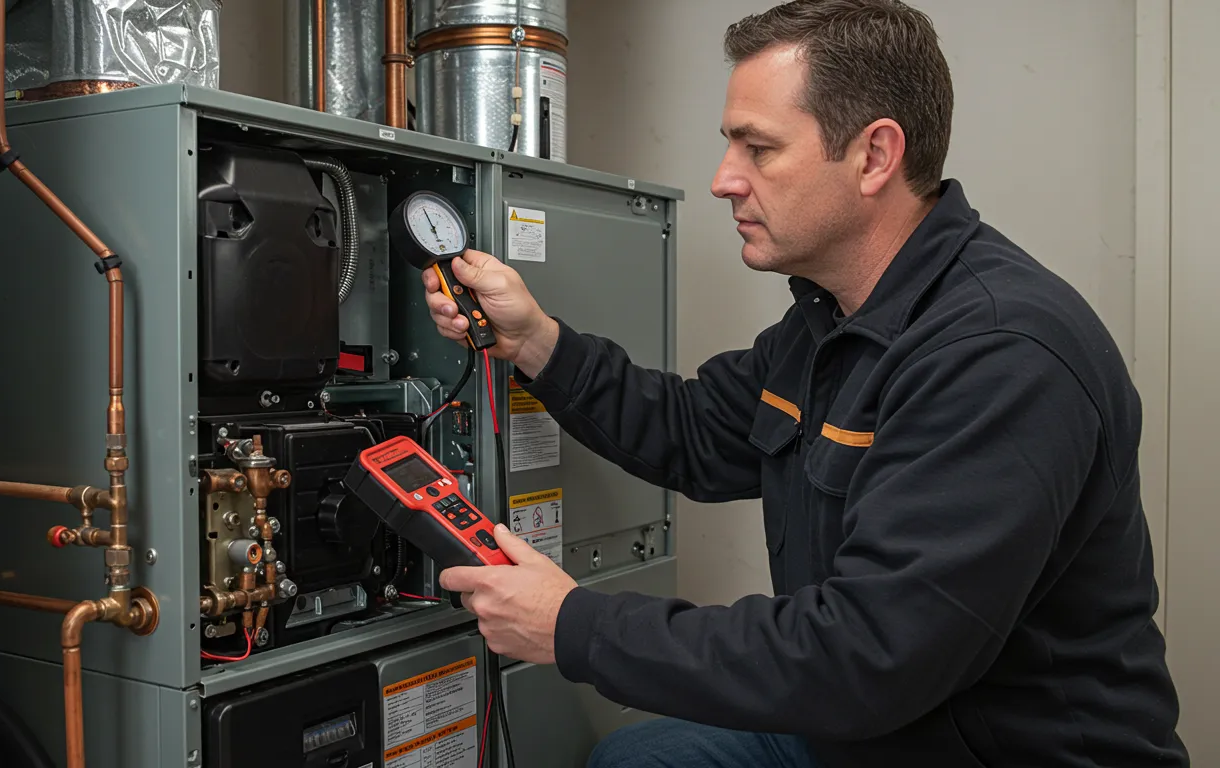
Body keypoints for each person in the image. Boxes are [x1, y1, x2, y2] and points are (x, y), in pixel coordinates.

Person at [427, 0, 1189, 766]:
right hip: (871, 727)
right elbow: (691, 433)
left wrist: (571, 626)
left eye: (758, 149)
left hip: (996, 748)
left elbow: (867, 656)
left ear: (874, 156)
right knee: (640, 759)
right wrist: (534, 342)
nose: (724, 180)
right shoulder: (831, 321)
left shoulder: (1000, 354)